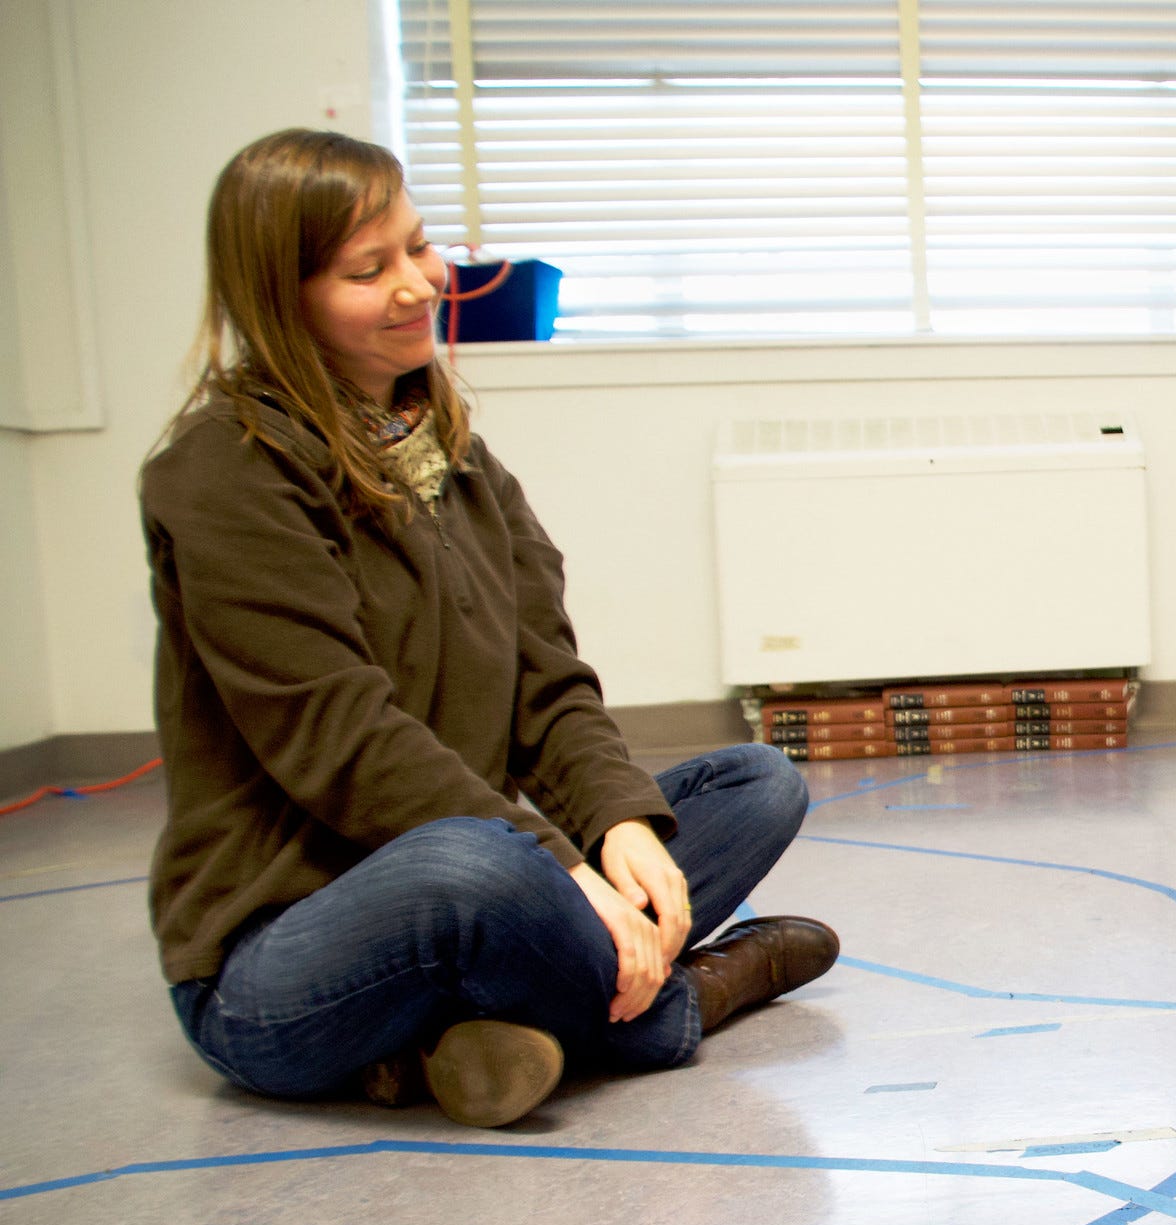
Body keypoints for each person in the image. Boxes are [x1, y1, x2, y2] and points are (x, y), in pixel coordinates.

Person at [141, 129, 837, 1129]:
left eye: (418, 248)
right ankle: (687, 999)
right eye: (365, 269)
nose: (419, 285)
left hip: (487, 881)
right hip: (279, 958)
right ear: (279, 298)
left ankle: (448, 1043)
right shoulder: (221, 466)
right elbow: (343, 739)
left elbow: (548, 684)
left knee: (756, 783)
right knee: (471, 864)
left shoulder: (453, 450)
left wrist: (614, 826)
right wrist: (561, 870)